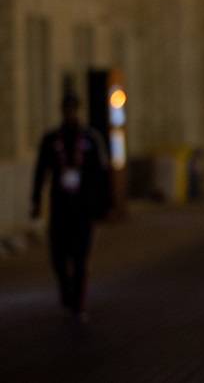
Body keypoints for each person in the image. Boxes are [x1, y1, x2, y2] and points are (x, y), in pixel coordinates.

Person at [31, 91, 112, 322]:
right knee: (58, 256)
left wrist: (104, 205)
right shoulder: (51, 139)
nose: (70, 112)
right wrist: (36, 201)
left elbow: (102, 172)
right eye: (67, 108)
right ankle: (66, 290)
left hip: (83, 209)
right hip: (60, 208)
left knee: (79, 256)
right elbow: (40, 172)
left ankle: (77, 302)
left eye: (73, 107)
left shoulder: (90, 138)